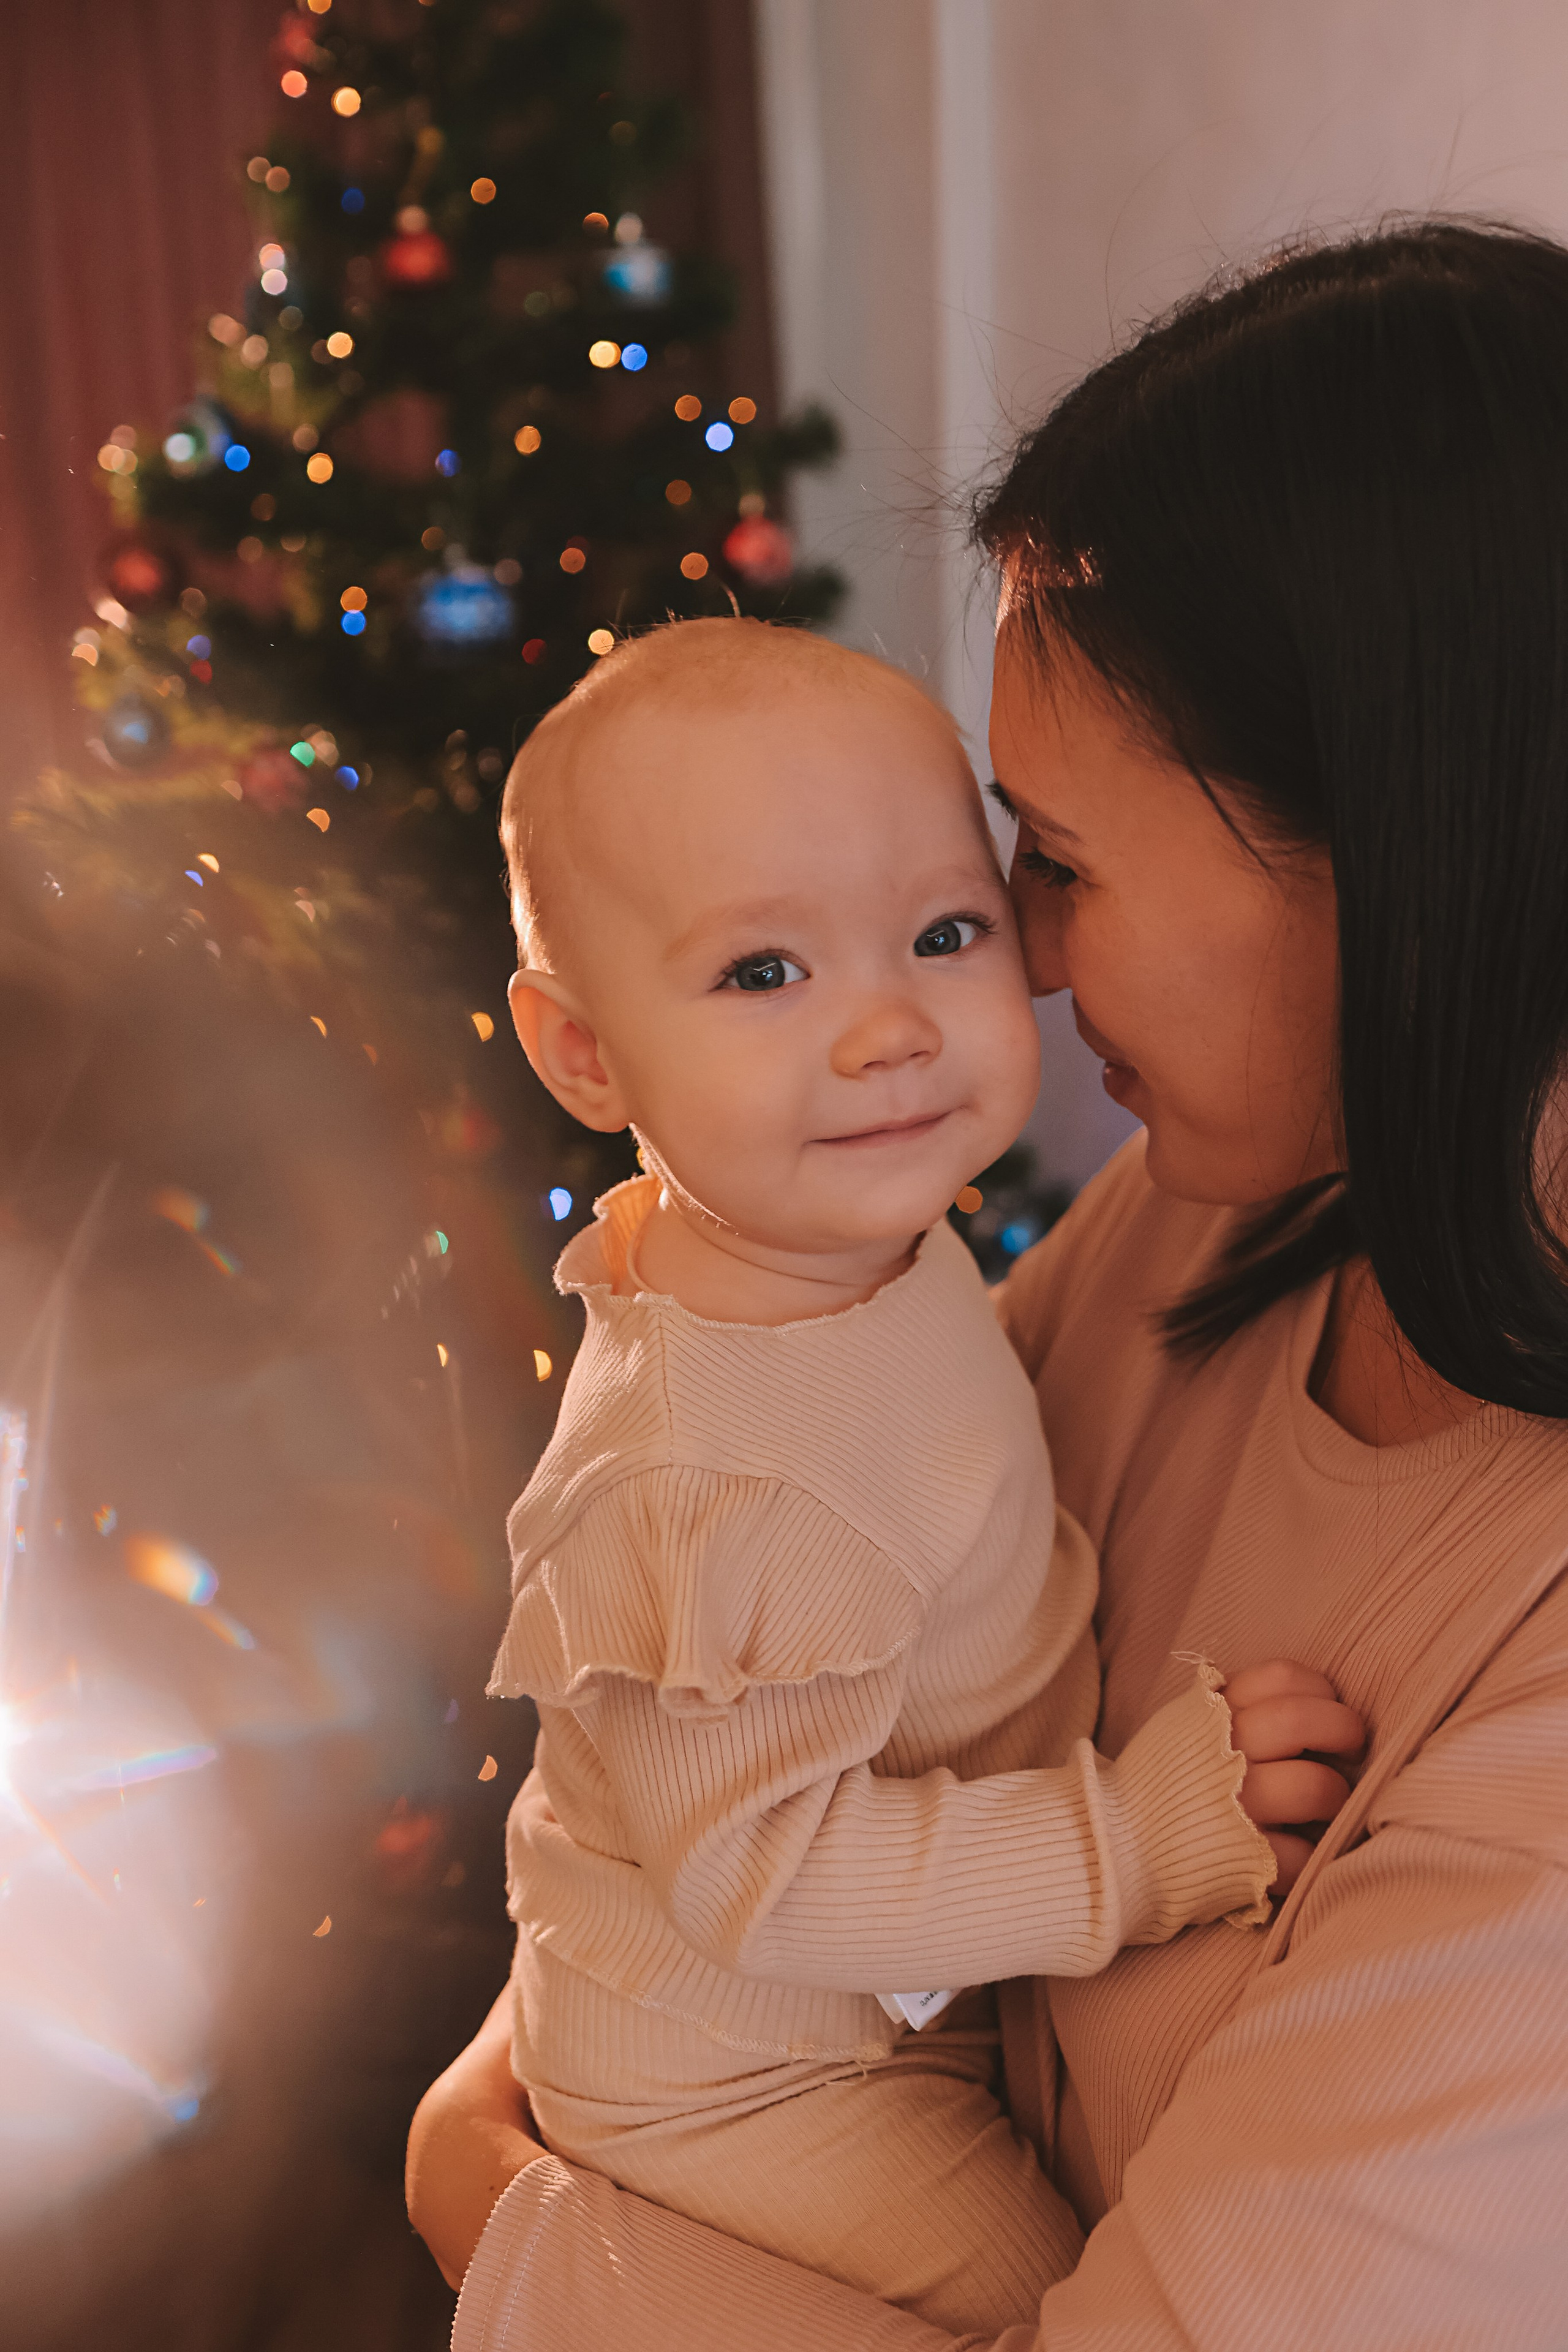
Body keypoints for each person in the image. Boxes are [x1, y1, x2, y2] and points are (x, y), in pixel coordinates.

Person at [407, 221, 1568, 2348]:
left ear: (1416, 855)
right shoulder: (1225, 1212)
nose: (1018, 963)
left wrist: (487, 2197)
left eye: (1047, 870)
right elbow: (739, 1736)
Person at [473, 619, 1341, 2330]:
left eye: (942, 934)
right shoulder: (713, 1480)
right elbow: (764, 1878)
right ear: (584, 1055)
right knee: (1058, 2307)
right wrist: (1138, 1842)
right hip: (747, 2094)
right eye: (764, 975)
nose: (887, 1030)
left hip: (885, 2009)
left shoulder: (847, 1241)